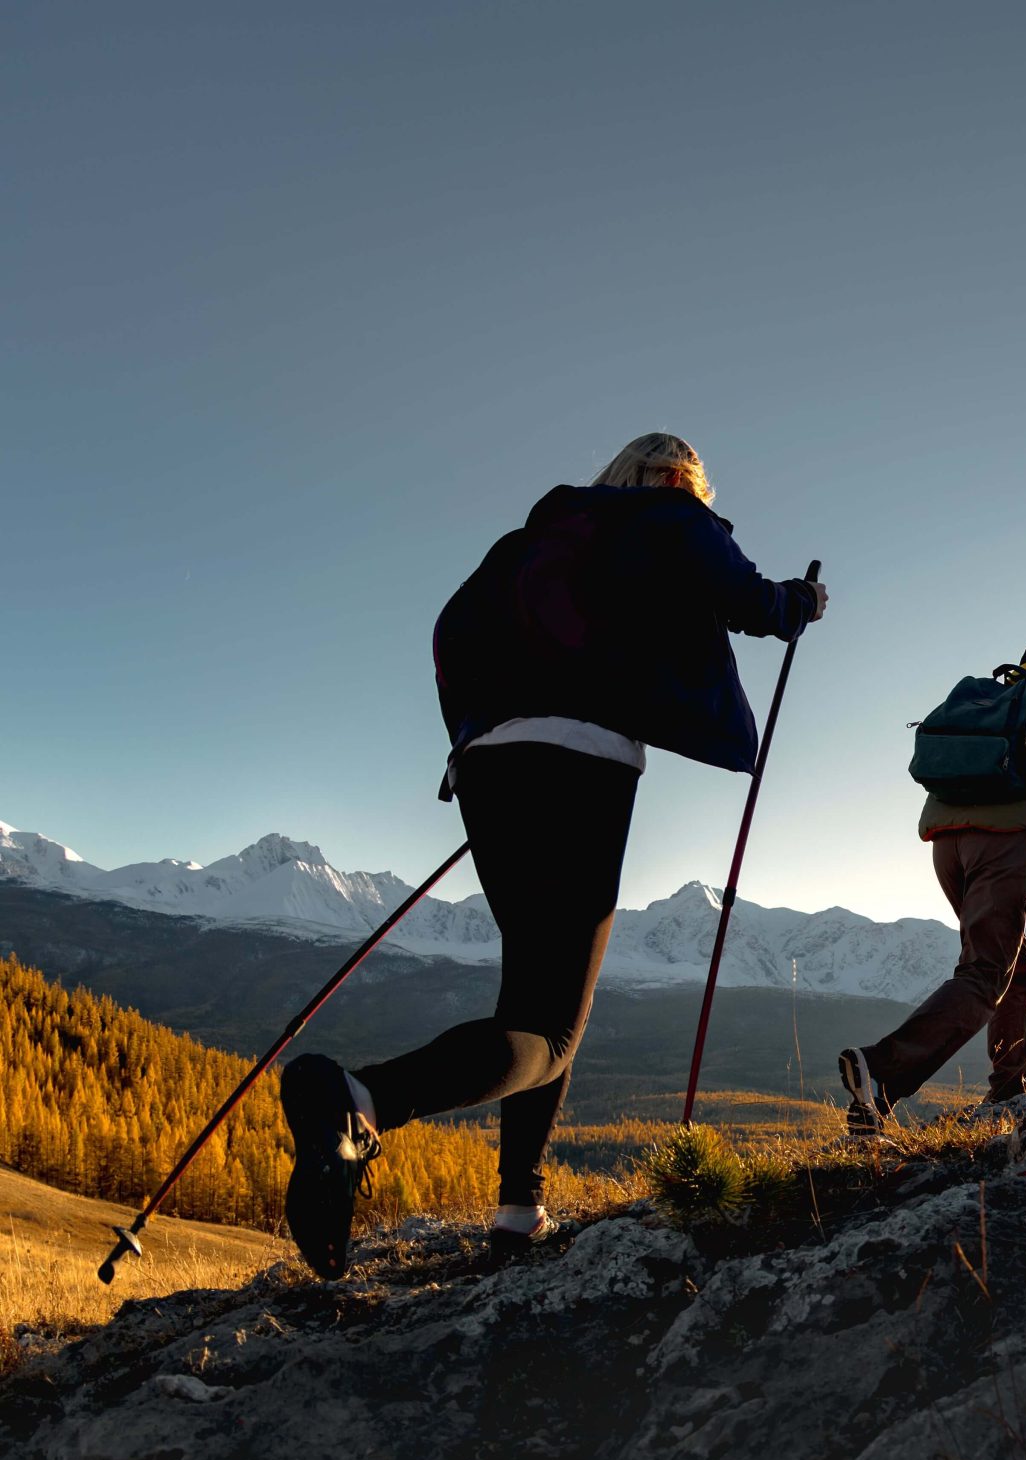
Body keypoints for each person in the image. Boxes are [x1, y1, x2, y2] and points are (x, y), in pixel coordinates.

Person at [275, 433, 826, 1277]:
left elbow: (455, 634)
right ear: (679, 478)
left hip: (487, 760)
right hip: (583, 763)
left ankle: (518, 1207)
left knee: (529, 991)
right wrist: (804, 601)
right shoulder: (671, 514)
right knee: (556, 1028)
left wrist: (492, 741)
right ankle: (362, 1098)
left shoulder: (540, 537)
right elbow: (750, 602)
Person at [839, 639, 1026, 1134]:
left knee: (1014, 966)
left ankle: (1007, 1086)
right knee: (984, 973)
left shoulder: (989, 695)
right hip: (1005, 845)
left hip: (947, 844)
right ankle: (881, 1072)